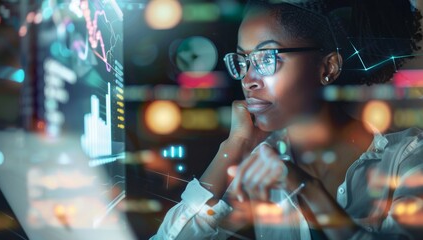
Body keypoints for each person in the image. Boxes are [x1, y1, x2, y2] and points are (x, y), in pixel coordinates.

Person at [151, 0, 423, 239]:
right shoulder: (255, 164)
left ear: (328, 67)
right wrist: (233, 146)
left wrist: (308, 191)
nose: (248, 81)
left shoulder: (407, 158)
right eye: (243, 61)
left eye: (266, 59)